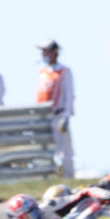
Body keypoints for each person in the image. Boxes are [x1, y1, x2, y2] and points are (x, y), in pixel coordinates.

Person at [36, 39, 75, 179]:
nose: (43, 54)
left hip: (59, 114)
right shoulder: (43, 72)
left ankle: (68, 176)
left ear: (54, 52)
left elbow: (69, 95)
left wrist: (66, 116)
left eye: (45, 51)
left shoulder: (64, 71)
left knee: (64, 150)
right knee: (45, 150)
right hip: (44, 116)